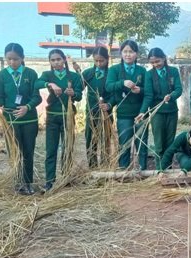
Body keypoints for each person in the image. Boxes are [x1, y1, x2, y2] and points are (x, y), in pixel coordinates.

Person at [0, 43, 41, 195]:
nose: (12, 62)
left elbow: (37, 97)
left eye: (16, 59)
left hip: (29, 120)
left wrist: (27, 107)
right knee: (15, 152)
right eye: (9, 59)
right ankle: (17, 183)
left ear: (22, 58)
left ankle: (28, 183)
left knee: (28, 152)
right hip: (10, 120)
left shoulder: (31, 74)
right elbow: (0, 97)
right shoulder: (1, 75)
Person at [34, 49, 83, 191]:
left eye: (58, 59)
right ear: (50, 62)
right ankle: (50, 181)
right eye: (53, 60)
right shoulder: (47, 75)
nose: (56, 62)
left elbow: (79, 95)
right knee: (51, 149)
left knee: (67, 147)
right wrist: (50, 85)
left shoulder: (73, 76)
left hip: (67, 116)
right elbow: (37, 83)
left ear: (64, 60)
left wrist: (73, 93)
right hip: (52, 116)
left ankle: (66, 177)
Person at [106, 40, 148, 170]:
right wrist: (122, 83)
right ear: (121, 53)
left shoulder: (142, 71)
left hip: (140, 114)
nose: (128, 55)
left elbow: (149, 92)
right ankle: (123, 170)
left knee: (141, 143)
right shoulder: (114, 70)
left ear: (136, 54)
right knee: (124, 144)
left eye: (131, 51)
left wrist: (140, 90)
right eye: (125, 51)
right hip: (123, 114)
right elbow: (108, 87)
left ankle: (142, 169)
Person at [140, 47, 182, 166]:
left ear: (164, 58)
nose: (155, 64)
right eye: (152, 62)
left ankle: (167, 166)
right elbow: (148, 95)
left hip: (172, 111)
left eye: (157, 61)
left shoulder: (173, 71)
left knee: (170, 141)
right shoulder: (149, 74)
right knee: (159, 142)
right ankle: (160, 168)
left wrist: (171, 95)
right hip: (157, 112)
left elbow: (179, 89)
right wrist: (143, 111)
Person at [73, 46, 111, 169]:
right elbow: (79, 90)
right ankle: (93, 167)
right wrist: (77, 76)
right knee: (91, 139)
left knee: (106, 139)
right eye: (96, 61)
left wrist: (109, 104)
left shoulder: (112, 74)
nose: (99, 64)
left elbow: (115, 93)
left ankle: (106, 167)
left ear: (107, 59)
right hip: (91, 112)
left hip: (106, 112)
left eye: (102, 61)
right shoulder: (88, 73)